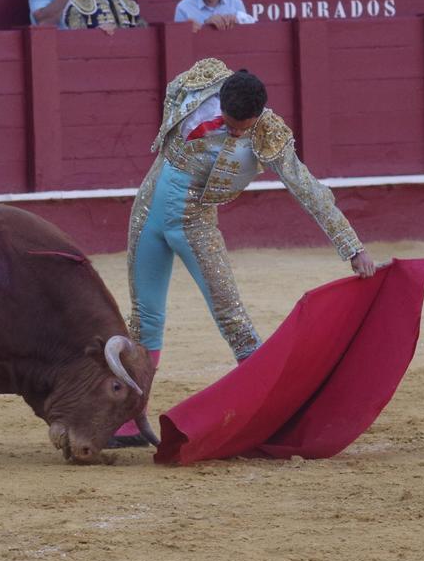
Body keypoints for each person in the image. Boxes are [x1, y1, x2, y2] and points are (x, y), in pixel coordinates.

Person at [126, 58, 375, 391]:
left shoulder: (268, 132)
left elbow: (307, 188)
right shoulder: (201, 82)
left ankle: (268, 400)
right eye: (231, 124)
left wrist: (352, 247)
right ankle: (128, 421)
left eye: (243, 128)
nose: (236, 132)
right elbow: (172, 98)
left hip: (195, 224)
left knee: (233, 317)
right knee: (144, 319)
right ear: (222, 103)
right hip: (147, 209)